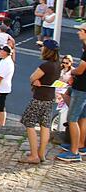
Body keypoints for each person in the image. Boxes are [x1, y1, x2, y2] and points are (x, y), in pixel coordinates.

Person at [18, 40, 60, 163]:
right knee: (45, 125)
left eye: (42, 47)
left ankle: (34, 155)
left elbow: (32, 77)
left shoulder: (46, 66)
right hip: (49, 98)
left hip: (40, 98)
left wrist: (34, 81)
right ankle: (41, 154)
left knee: (29, 123)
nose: (41, 49)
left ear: (47, 50)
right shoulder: (57, 64)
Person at [57, 23, 86, 162]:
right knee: (82, 117)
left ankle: (74, 152)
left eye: (81, 30)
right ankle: (80, 145)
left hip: (81, 89)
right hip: (82, 88)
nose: (78, 32)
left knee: (72, 118)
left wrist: (72, 72)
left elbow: (81, 69)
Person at [0, 44, 15, 127]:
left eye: (1, 50)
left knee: (0, 108)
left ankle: (1, 125)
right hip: (0, 88)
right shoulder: (4, 59)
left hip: (1, 89)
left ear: (5, 52)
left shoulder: (7, 63)